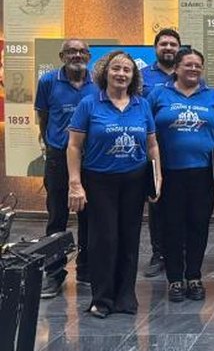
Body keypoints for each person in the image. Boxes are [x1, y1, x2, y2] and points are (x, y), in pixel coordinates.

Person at [66, 51, 161, 318]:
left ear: (133, 76)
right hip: (99, 181)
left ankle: (125, 297)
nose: (121, 74)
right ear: (105, 72)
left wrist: (157, 177)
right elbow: (73, 146)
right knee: (104, 239)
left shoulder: (141, 105)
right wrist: (76, 183)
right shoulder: (89, 104)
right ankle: (102, 299)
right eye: (116, 69)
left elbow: (152, 144)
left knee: (130, 239)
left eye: (127, 70)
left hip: (134, 180)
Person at [147, 48, 214, 302]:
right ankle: (174, 279)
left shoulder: (213, 96)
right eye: (188, 65)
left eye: (197, 66)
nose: (193, 69)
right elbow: (148, 134)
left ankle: (194, 276)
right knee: (171, 227)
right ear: (177, 68)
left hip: (203, 174)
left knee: (198, 225)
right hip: (168, 174)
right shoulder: (158, 94)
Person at [35, 39, 98, 299]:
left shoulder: (97, 83)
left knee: (90, 217)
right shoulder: (48, 81)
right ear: (62, 56)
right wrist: (53, 145)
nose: (77, 55)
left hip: (91, 158)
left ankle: (85, 269)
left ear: (89, 55)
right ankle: (54, 273)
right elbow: (44, 118)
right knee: (57, 216)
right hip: (59, 157)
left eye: (82, 51)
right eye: (71, 51)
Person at [140, 27, 181, 278]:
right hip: (154, 151)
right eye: (163, 44)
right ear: (156, 48)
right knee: (157, 202)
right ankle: (159, 253)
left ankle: (180, 251)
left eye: (173, 44)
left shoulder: (187, 73)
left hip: (182, 153)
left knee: (182, 204)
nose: (168, 48)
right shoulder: (142, 77)